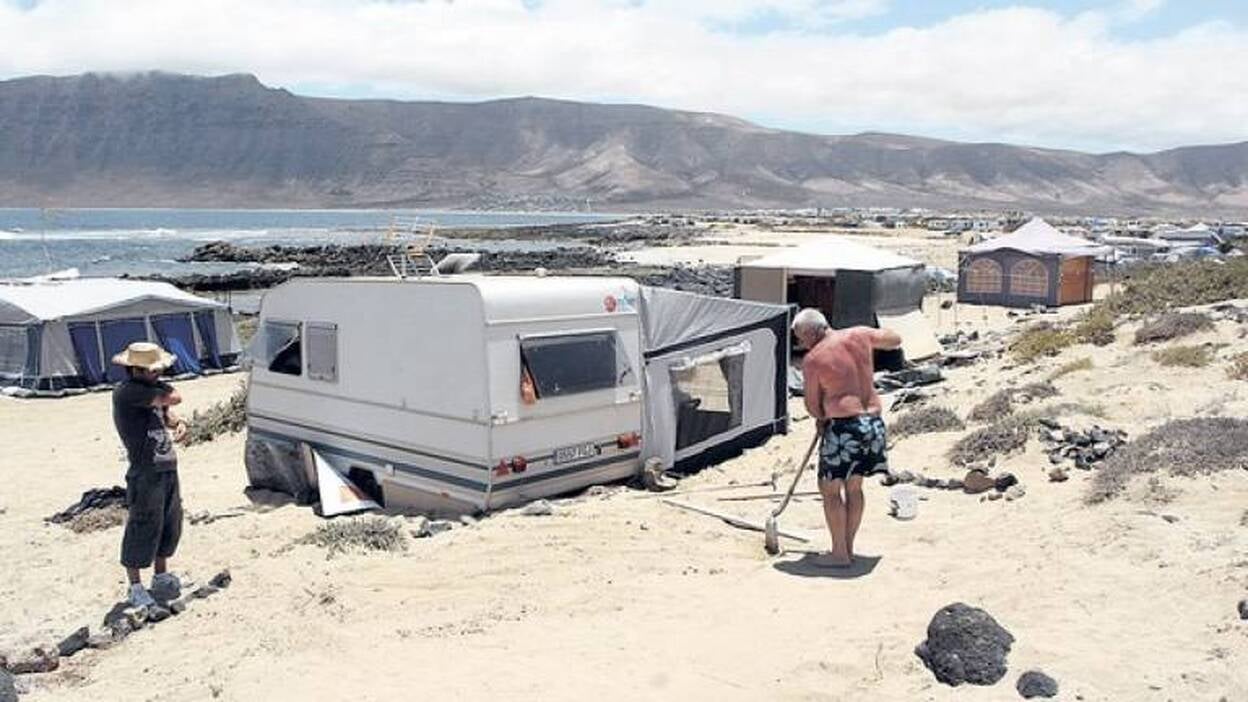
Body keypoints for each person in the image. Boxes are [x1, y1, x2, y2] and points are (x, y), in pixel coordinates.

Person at [792, 309, 901, 568]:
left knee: (830, 489)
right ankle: (847, 548)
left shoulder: (814, 358)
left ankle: (840, 553)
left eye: (801, 338)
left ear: (811, 332)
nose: (802, 344)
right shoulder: (859, 335)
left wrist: (821, 417)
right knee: (854, 487)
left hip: (843, 427)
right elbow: (895, 339)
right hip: (872, 423)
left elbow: (812, 405)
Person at [111, 341, 189, 607]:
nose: (159, 374)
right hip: (146, 470)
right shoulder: (128, 392)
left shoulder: (150, 389)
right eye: (153, 370)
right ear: (136, 370)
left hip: (166, 465)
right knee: (143, 524)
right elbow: (173, 397)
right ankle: (135, 586)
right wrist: (166, 395)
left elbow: (167, 412)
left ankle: (160, 574)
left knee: (169, 522)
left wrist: (179, 422)